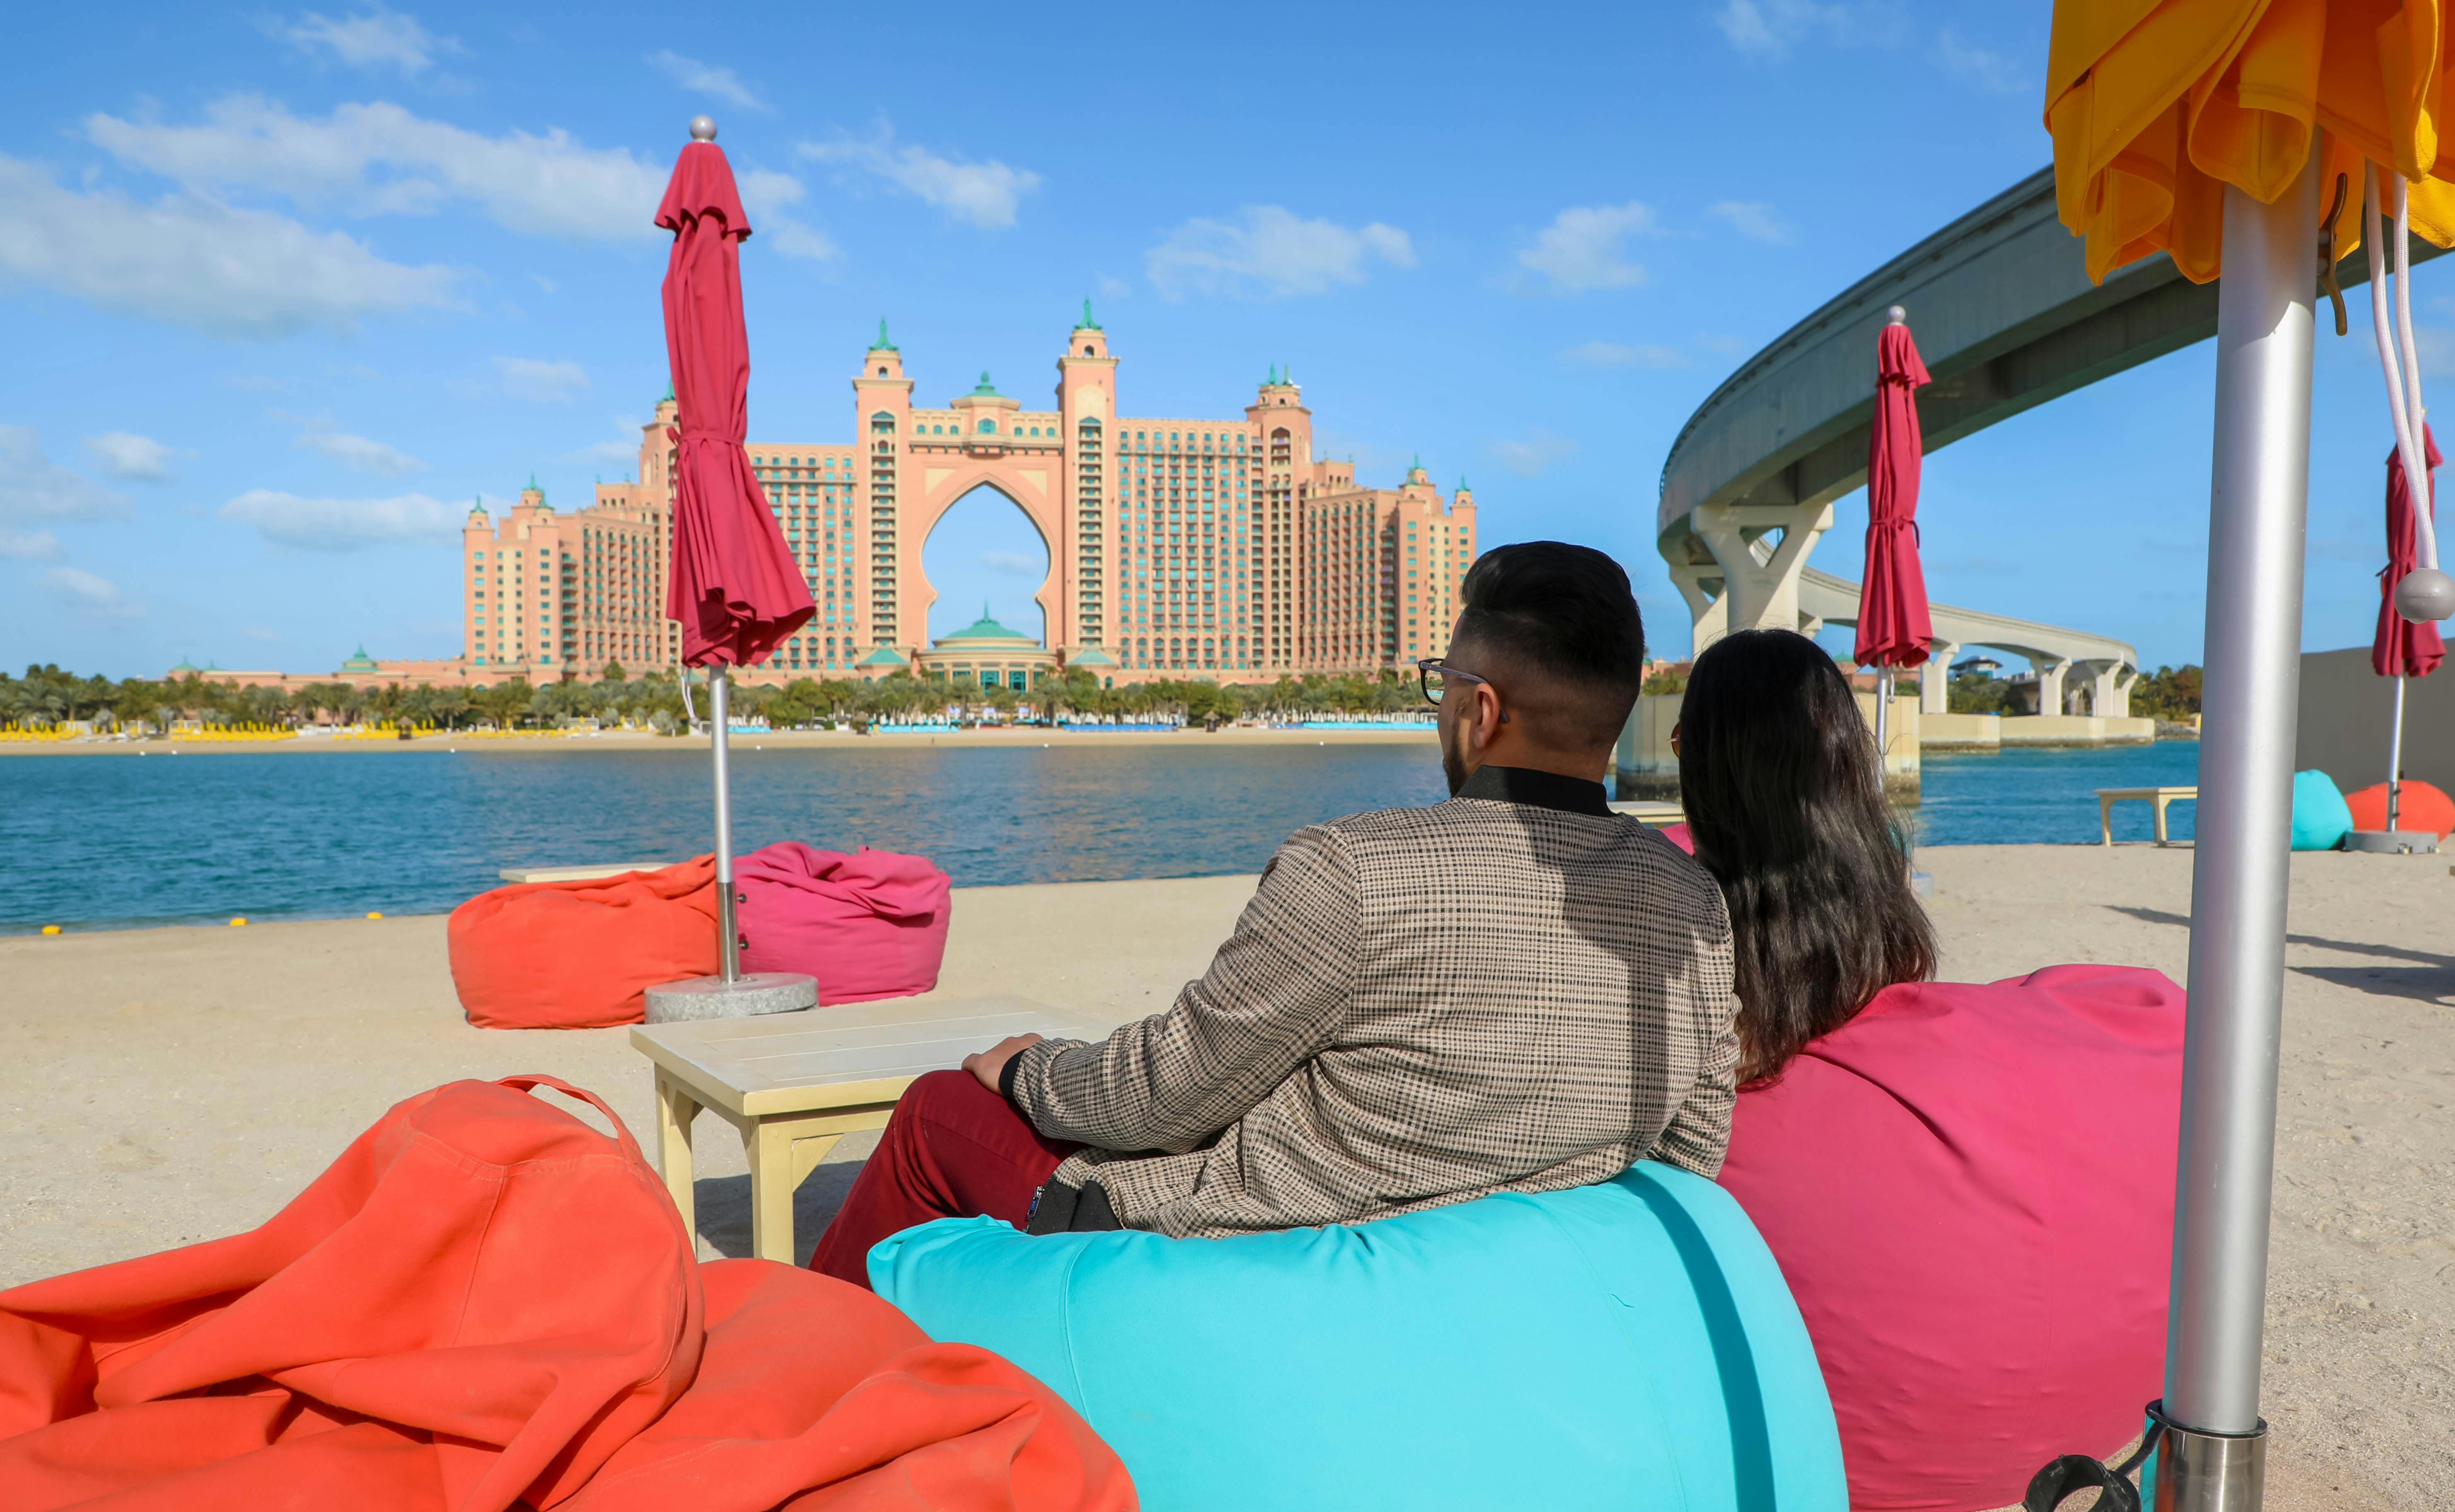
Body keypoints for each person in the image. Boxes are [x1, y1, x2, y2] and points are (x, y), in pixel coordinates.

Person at [805, 540, 1741, 1286]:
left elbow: (1166, 1098)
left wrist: (1027, 1070)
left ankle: (816, 1388)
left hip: (1255, 1249)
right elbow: (1693, 1149)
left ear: (1480, 711)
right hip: (1502, 1261)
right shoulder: (1693, 901)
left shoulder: (1354, 868)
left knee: (937, 1109)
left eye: (1441, 684)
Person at [1668, 628, 1937, 1085]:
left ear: (1709, 767)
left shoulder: (1684, 921)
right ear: (1846, 754)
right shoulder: (1886, 906)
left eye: (1683, 743)